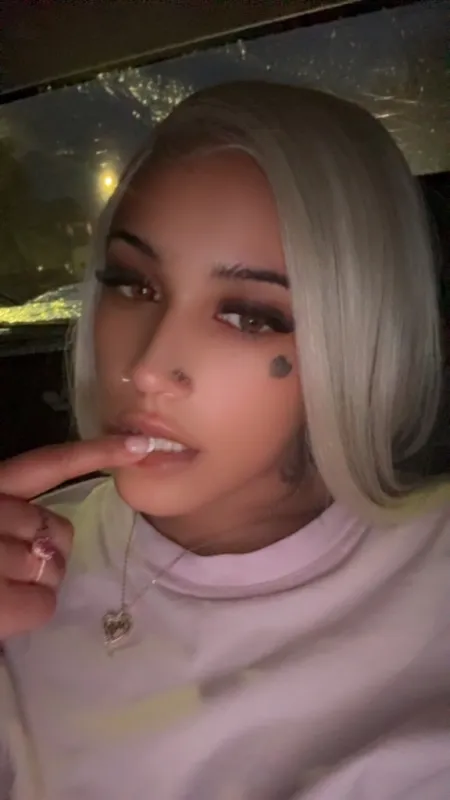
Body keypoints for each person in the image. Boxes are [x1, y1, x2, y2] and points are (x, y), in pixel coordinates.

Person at [0, 82, 449, 800]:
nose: (148, 368)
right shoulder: (22, 553)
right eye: (133, 284)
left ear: (355, 333)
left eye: (246, 316)